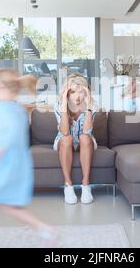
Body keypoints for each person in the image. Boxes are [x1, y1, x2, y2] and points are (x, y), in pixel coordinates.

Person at [0, 69, 57, 248]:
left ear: (1, 88)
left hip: (4, 162)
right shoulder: (18, 109)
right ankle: (45, 230)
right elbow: (12, 129)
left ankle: (46, 229)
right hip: (16, 162)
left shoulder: (2, 109)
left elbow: (10, 134)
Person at [54, 74, 98, 204]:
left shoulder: (92, 105)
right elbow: (65, 132)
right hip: (64, 141)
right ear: (67, 93)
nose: (77, 97)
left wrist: (89, 106)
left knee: (84, 137)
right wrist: (63, 106)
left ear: (86, 93)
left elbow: (87, 131)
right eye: (73, 92)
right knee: (67, 138)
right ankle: (68, 186)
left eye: (81, 92)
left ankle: (85, 185)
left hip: (85, 141)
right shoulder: (58, 105)